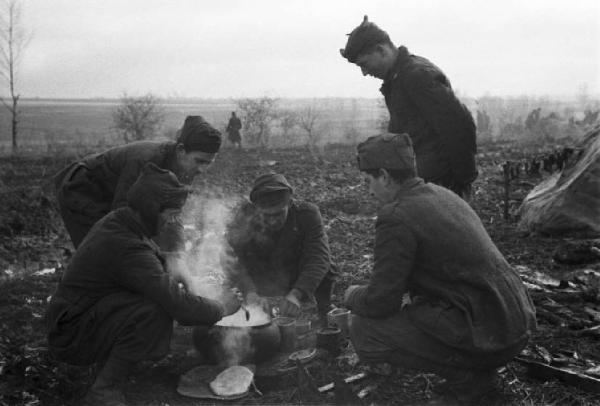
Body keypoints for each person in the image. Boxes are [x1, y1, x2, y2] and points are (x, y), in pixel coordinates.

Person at [343, 133, 536, 403]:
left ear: (385, 176)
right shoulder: (443, 195)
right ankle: (473, 367)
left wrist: (350, 295)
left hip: (490, 336)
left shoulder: (395, 216)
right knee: (417, 306)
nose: (369, 190)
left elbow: (381, 303)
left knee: (363, 327)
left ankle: (468, 376)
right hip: (515, 324)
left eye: (369, 181)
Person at [46, 163, 241, 406]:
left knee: (154, 299)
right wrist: (222, 308)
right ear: (151, 209)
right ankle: (104, 388)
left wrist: (185, 276)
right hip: (71, 333)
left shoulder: (121, 220)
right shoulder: (125, 245)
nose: (174, 221)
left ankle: (109, 363)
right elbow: (177, 305)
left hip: (78, 315)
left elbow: (152, 262)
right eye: (171, 214)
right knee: (154, 310)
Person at [340, 16, 478, 199]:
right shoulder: (399, 78)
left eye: (364, 64)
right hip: (425, 184)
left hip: (439, 186)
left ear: (381, 50)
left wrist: (461, 182)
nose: (364, 73)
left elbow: (460, 125)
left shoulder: (416, 76)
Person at [54, 115, 221, 248]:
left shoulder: (186, 168)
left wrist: (178, 255)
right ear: (181, 150)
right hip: (83, 189)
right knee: (102, 249)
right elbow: (122, 213)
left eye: (209, 163)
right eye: (199, 161)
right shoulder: (146, 161)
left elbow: (172, 215)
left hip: (111, 192)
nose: (202, 170)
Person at [224, 172, 336, 320]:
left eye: (278, 214)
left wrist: (297, 294)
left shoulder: (307, 214)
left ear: (289, 204)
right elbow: (232, 258)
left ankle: (324, 311)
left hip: (295, 272)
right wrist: (249, 291)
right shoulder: (243, 217)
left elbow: (318, 256)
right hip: (262, 273)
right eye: (266, 215)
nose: (272, 221)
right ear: (256, 208)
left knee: (327, 266)